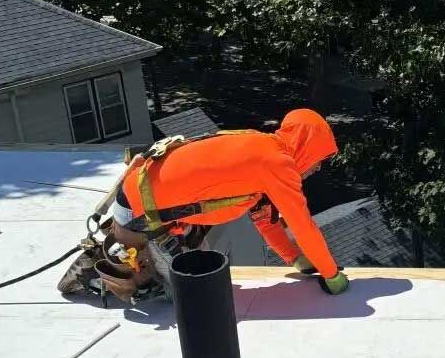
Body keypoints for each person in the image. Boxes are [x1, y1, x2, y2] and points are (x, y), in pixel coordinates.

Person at [96, 108, 348, 301]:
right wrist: (331, 275)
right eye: (320, 159)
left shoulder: (261, 143)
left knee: (205, 272)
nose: (317, 167)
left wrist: (295, 258)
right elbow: (302, 225)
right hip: (139, 219)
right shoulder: (277, 164)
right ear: (308, 147)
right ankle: (113, 283)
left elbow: (264, 218)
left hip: (138, 202)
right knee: (193, 298)